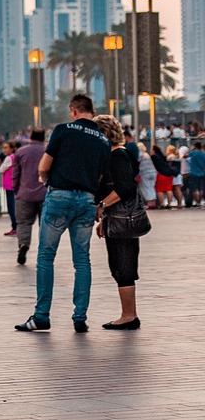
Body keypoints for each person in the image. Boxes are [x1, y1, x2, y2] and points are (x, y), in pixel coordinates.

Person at [16, 94, 108, 334]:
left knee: (46, 257)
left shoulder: (63, 129)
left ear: (73, 110)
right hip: (87, 200)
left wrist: (44, 178)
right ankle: (80, 316)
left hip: (60, 196)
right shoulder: (102, 138)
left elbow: (45, 164)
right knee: (82, 260)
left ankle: (41, 316)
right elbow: (101, 176)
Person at [92, 114, 142, 330]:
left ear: (104, 133)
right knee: (120, 265)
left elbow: (124, 187)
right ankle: (128, 314)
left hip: (123, 219)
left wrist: (102, 205)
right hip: (117, 218)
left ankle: (129, 315)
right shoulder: (116, 155)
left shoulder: (118, 155)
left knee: (123, 264)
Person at [13, 128, 48, 265]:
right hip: (45, 193)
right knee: (45, 224)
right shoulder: (48, 152)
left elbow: (16, 175)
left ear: (30, 137)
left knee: (23, 223)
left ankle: (23, 244)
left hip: (24, 193)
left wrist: (16, 190)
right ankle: (44, 251)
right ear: (43, 138)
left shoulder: (21, 152)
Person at [0, 141, 19, 236]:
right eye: (3, 148)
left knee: (11, 207)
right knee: (14, 206)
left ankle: (15, 227)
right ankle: (16, 226)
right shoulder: (15, 157)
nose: (4, 150)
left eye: (6, 148)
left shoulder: (9, 158)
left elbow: (1, 170)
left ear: (11, 149)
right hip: (14, 185)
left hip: (9, 185)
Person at [184, 141, 205, 208]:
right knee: (201, 189)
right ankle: (200, 201)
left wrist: (191, 149)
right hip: (201, 173)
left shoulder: (193, 152)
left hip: (193, 173)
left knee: (194, 189)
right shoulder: (203, 154)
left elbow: (185, 156)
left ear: (195, 146)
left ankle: (197, 202)